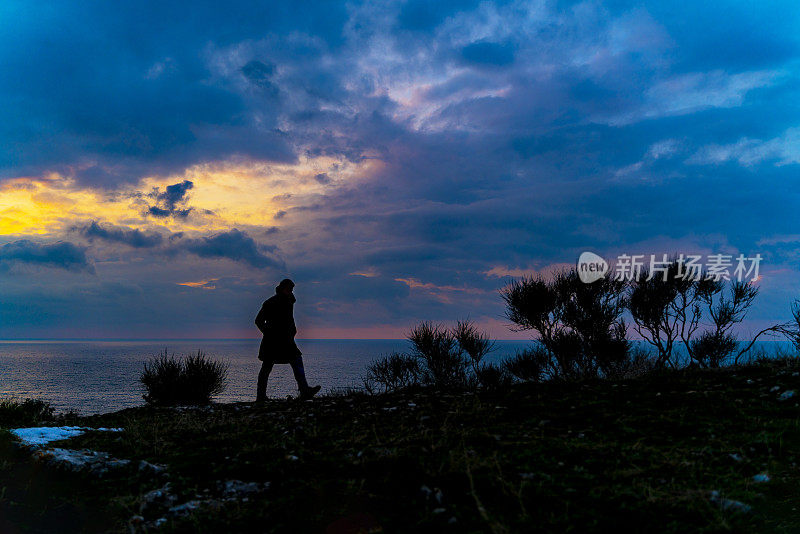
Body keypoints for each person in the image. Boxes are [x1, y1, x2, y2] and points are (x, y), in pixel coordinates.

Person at [255, 278, 321, 401]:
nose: (291, 291)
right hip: (274, 341)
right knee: (268, 366)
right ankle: (261, 396)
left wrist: (291, 332)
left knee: (295, 361)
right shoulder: (271, 303)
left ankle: (304, 390)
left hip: (285, 340)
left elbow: (288, 320)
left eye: (292, 290)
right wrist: (269, 333)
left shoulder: (287, 302)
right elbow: (258, 321)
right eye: (290, 289)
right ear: (284, 289)